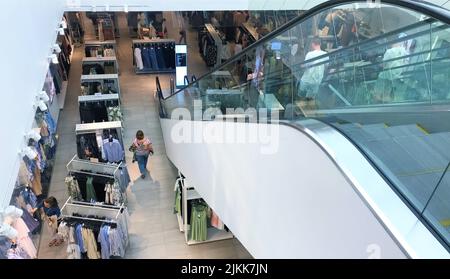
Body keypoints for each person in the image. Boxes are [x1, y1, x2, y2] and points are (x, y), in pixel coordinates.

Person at [298, 37, 329, 101]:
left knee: (301, 98)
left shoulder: (310, 54)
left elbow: (305, 66)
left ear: (312, 44)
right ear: (320, 44)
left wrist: (300, 65)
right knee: (310, 100)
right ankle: (309, 110)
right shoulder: (325, 54)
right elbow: (326, 67)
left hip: (306, 80)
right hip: (316, 82)